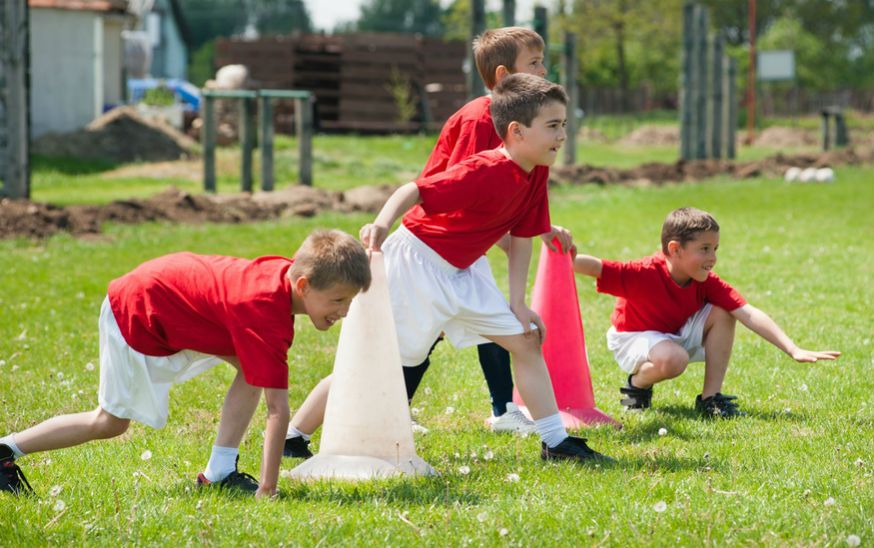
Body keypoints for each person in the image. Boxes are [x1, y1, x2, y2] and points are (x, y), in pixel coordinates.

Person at [281, 28, 572, 458]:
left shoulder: (536, 167)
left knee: (524, 339)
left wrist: (517, 301)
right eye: (553, 126)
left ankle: (557, 442)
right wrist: (380, 225)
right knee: (377, 362)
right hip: (418, 262)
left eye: (562, 125)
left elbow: (523, 236)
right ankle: (294, 436)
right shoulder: (483, 147)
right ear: (516, 127)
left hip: (461, 264)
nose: (561, 135)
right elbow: (419, 189)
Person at [0, 230, 371, 497]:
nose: (345, 310)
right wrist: (268, 489)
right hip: (140, 310)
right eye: (338, 300)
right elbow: (278, 411)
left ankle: (219, 473)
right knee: (109, 422)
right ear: (303, 285)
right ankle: (6, 450)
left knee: (250, 367)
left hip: (169, 296)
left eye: (350, 300)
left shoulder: (282, 280)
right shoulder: (265, 314)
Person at [572, 207, 841, 416]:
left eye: (715, 249)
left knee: (725, 311)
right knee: (674, 359)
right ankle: (637, 385)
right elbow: (597, 267)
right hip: (632, 337)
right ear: (674, 250)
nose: (712, 258)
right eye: (704, 249)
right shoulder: (643, 273)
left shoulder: (706, 282)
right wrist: (565, 257)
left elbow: (747, 312)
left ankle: (710, 399)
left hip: (673, 333)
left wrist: (792, 348)